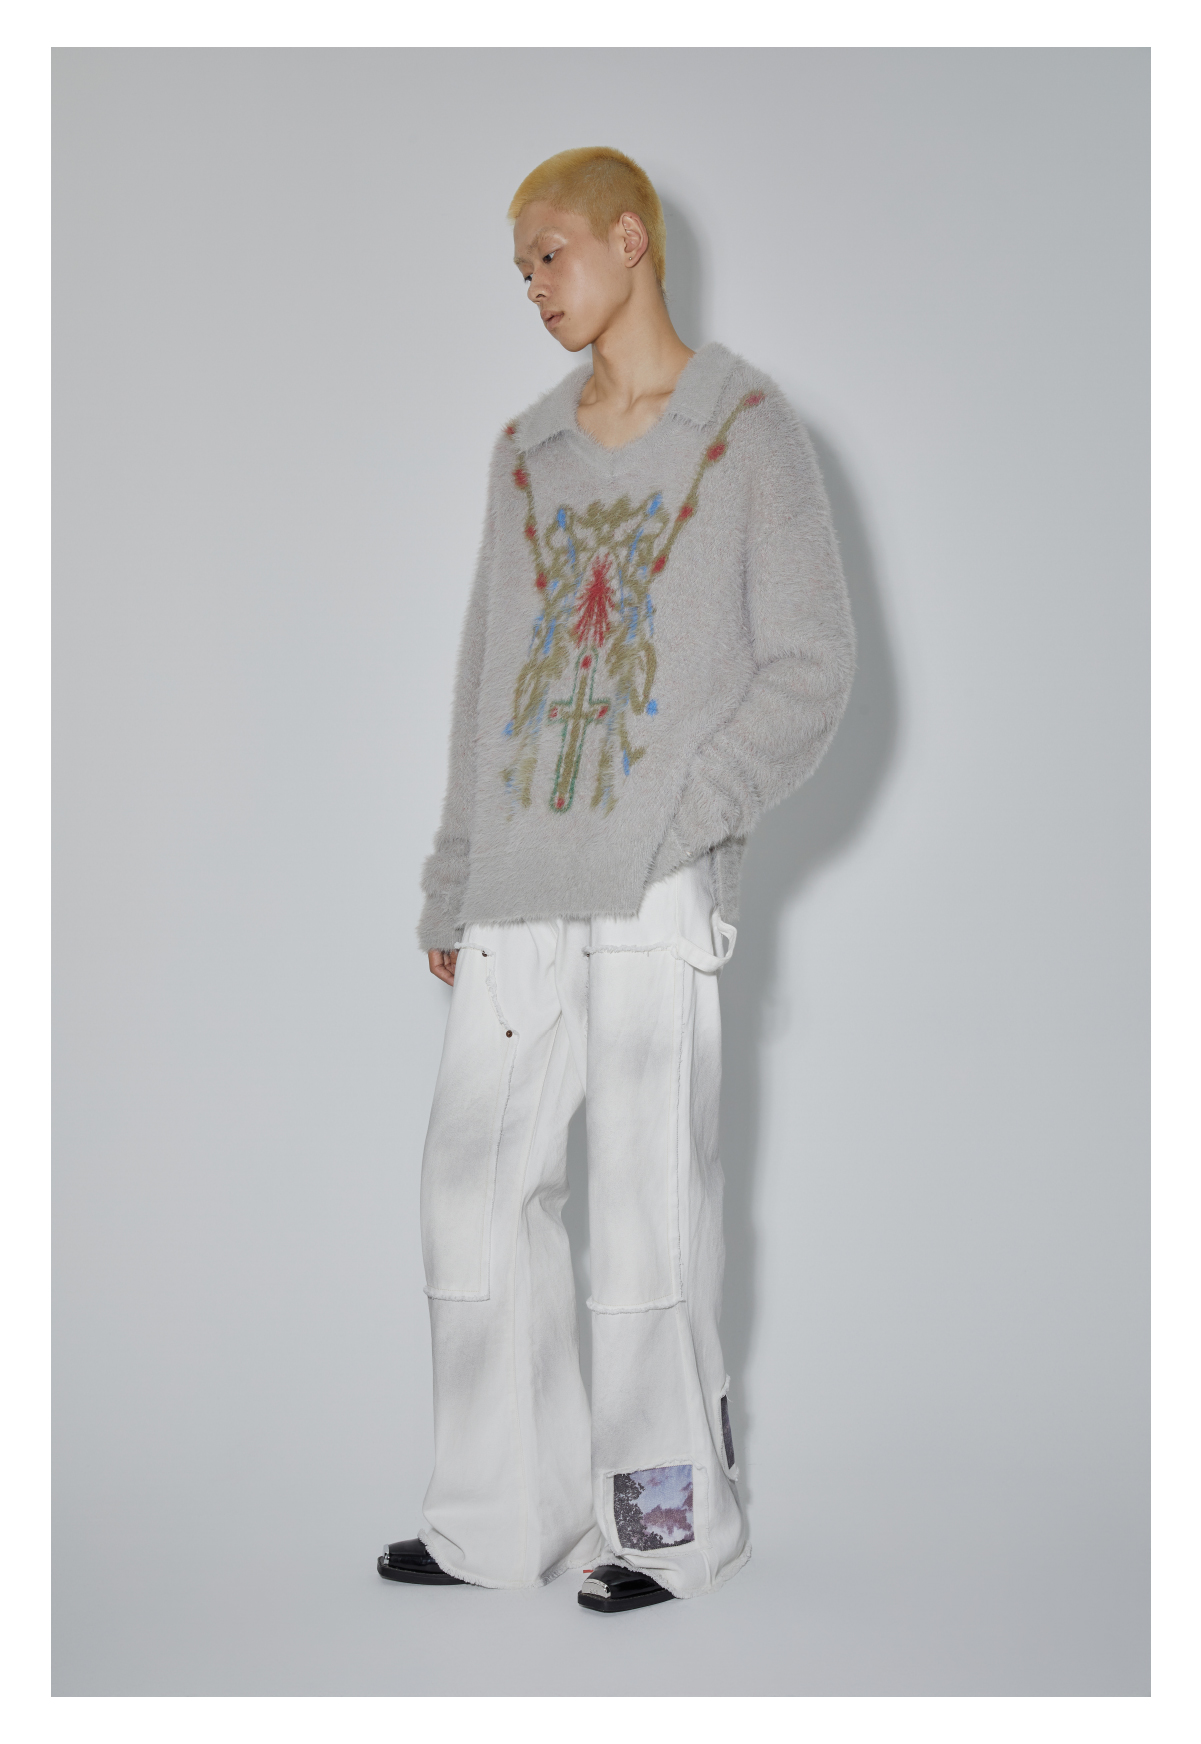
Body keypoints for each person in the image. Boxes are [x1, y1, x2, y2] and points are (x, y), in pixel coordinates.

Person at [377, 147, 856, 1613]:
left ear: (629, 239)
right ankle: (494, 1516)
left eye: (550, 253)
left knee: (647, 1214)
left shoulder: (748, 432)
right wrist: (454, 876)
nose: (532, 287)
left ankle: (659, 1525)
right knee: (471, 1193)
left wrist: (679, 819)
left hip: (651, 888)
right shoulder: (526, 451)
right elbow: (487, 680)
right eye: (519, 267)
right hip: (518, 880)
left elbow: (810, 671)